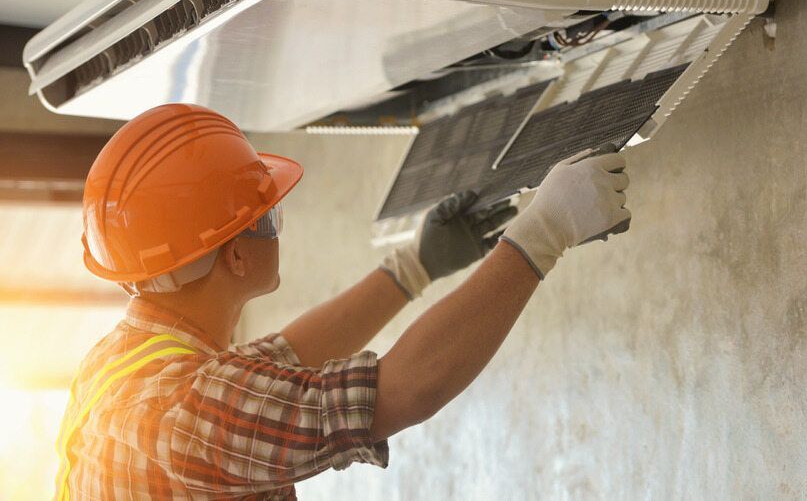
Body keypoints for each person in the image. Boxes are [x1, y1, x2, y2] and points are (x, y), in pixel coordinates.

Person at [55, 103, 632, 498]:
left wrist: (415, 266)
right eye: (267, 215)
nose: (278, 223)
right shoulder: (194, 408)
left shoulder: (124, 364)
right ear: (234, 255)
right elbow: (402, 390)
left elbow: (282, 359)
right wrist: (544, 233)